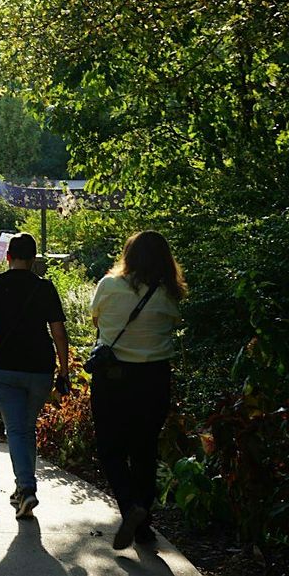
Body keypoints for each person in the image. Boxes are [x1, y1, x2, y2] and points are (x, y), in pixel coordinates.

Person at [0, 232, 69, 519]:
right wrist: (64, 370)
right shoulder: (45, 288)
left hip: (6, 370)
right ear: (34, 259)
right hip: (41, 370)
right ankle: (23, 488)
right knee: (26, 428)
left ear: (8, 256)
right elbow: (58, 332)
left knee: (18, 430)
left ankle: (26, 488)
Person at [90, 230, 186, 550]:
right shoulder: (168, 294)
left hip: (112, 376)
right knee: (144, 449)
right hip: (154, 378)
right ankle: (143, 526)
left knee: (110, 449)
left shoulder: (108, 285)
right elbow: (172, 324)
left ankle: (130, 507)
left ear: (128, 255)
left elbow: (96, 320)